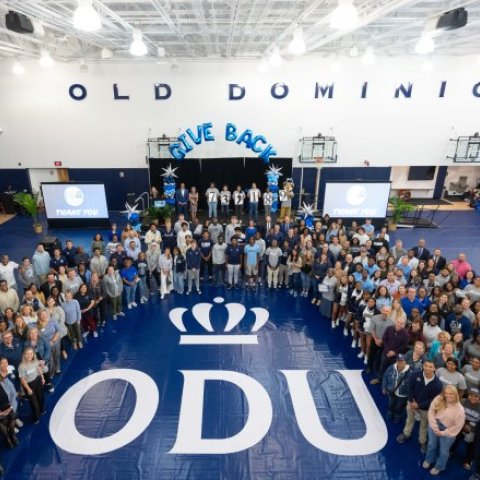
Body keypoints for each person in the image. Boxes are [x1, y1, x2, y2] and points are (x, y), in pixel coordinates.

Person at [397, 359, 444, 453]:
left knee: (424, 425)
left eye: (430, 367)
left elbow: (433, 400)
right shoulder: (415, 375)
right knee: (409, 419)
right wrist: (411, 401)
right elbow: (409, 388)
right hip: (411, 403)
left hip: (426, 409)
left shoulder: (438, 384)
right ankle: (406, 433)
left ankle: (422, 441)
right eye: (426, 366)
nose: (428, 368)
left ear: (434, 368)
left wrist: (418, 405)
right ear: (423, 366)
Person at [424, 385, 465, 475]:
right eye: (446, 393)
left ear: (456, 395)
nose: (448, 396)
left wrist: (443, 433)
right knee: (431, 445)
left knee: (444, 450)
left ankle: (439, 466)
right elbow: (431, 412)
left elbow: (457, 427)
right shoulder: (438, 398)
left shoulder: (460, 410)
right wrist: (434, 427)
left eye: (451, 394)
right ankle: (429, 460)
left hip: (448, 431)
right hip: (434, 425)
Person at [18, 347, 45, 424]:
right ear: (24, 355)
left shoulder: (35, 361)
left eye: (31, 353)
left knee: (41, 397)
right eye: (28, 354)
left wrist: (42, 377)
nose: (30, 355)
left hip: (37, 381)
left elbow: (39, 369)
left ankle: (41, 410)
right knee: (34, 403)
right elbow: (22, 380)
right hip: (29, 384)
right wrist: (28, 389)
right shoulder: (22, 366)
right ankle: (36, 417)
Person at [382, 353, 411, 422]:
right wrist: (384, 387)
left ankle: (397, 415)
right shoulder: (391, 368)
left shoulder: (410, 372)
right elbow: (385, 377)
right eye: (398, 361)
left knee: (399, 406)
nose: (400, 362)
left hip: (403, 394)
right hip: (391, 391)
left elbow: (412, 385)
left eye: (402, 361)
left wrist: (410, 396)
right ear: (396, 361)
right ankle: (390, 412)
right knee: (391, 403)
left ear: (405, 362)